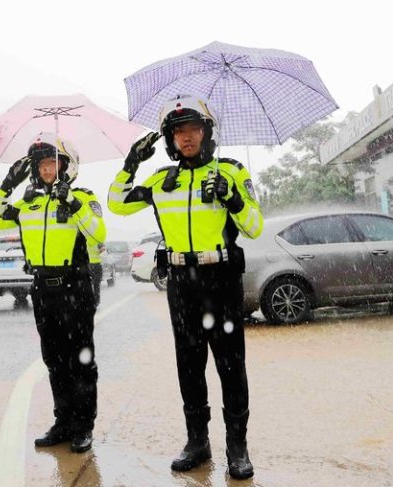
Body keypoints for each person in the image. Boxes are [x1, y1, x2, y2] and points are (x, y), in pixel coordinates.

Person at [108, 96, 262, 479]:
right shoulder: (162, 180)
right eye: (178, 131)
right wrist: (130, 164)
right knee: (189, 366)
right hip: (180, 284)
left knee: (231, 366)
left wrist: (233, 195)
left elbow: (255, 226)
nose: (186, 137)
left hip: (221, 281)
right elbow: (115, 204)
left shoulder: (231, 171)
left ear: (207, 132)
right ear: (170, 139)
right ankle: (198, 441)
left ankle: (237, 447)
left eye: (193, 129)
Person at [0, 132, 106, 453]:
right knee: (54, 359)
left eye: (53, 162)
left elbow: (99, 232)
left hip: (75, 286)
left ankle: (83, 425)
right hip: (42, 288)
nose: (46, 169)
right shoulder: (28, 202)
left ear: (67, 165)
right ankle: (62, 422)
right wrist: (7, 185)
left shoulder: (84, 195)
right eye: (40, 164)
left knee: (81, 360)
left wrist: (73, 201)